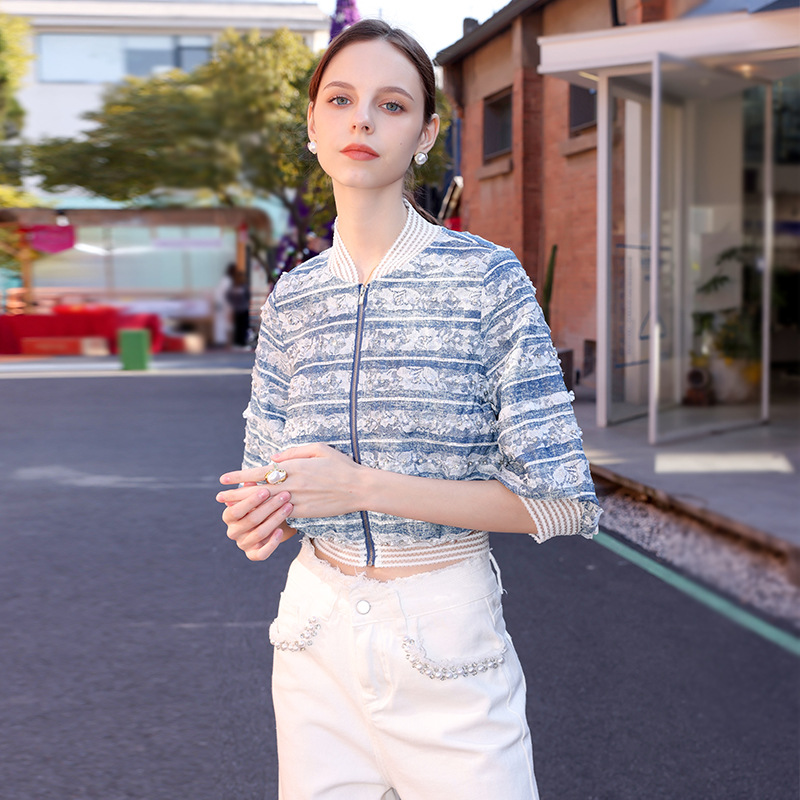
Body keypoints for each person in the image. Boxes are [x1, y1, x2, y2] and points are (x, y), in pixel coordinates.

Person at [217, 19, 601, 800]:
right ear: (313, 125)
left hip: (446, 641)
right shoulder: (292, 298)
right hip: (312, 637)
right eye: (340, 99)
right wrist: (262, 514)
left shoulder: (488, 280)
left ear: (425, 134)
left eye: (391, 105)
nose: (361, 119)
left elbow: (564, 502)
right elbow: (269, 481)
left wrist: (361, 488)